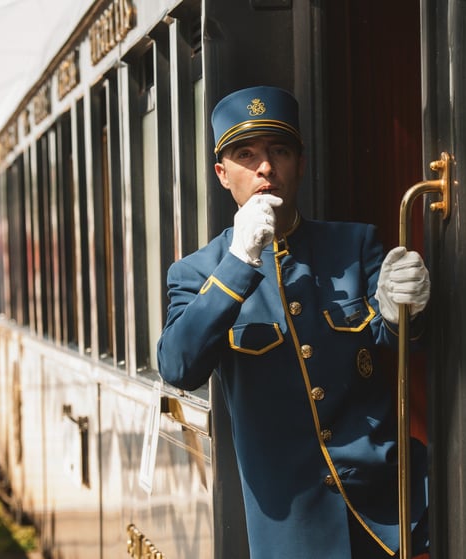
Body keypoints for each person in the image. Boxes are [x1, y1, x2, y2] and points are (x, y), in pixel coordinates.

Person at [156, 85, 431, 559]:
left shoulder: (354, 244)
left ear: (299, 164)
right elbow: (178, 366)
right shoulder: (197, 272)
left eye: (279, 151)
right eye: (246, 155)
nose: (265, 168)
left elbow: (393, 341)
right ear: (224, 175)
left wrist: (403, 310)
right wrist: (240, 262)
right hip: (291, 531)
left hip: (386, 515)